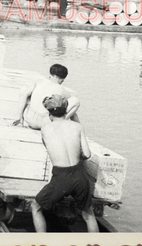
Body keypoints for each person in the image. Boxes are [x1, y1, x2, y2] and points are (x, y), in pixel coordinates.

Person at [30, 94, 99, 233]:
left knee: (35, 207)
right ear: (66, 109)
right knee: (88, 215)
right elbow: (87, 154)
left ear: (49, 113)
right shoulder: (77, 127)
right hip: (79, 175)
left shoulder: (45, 129)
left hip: (61, 177)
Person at [13, 64, 80, 130]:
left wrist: (20, 116)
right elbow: (73, 112)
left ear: (50, 75)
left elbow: (23, 95)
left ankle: (21, 118)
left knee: (24, 90)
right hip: (45, 123)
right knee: (75, 101)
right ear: (63, 79)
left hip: (29, 118)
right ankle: (59, 123)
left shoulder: (38, 82)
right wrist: (79, 126)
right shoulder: (62, 90)